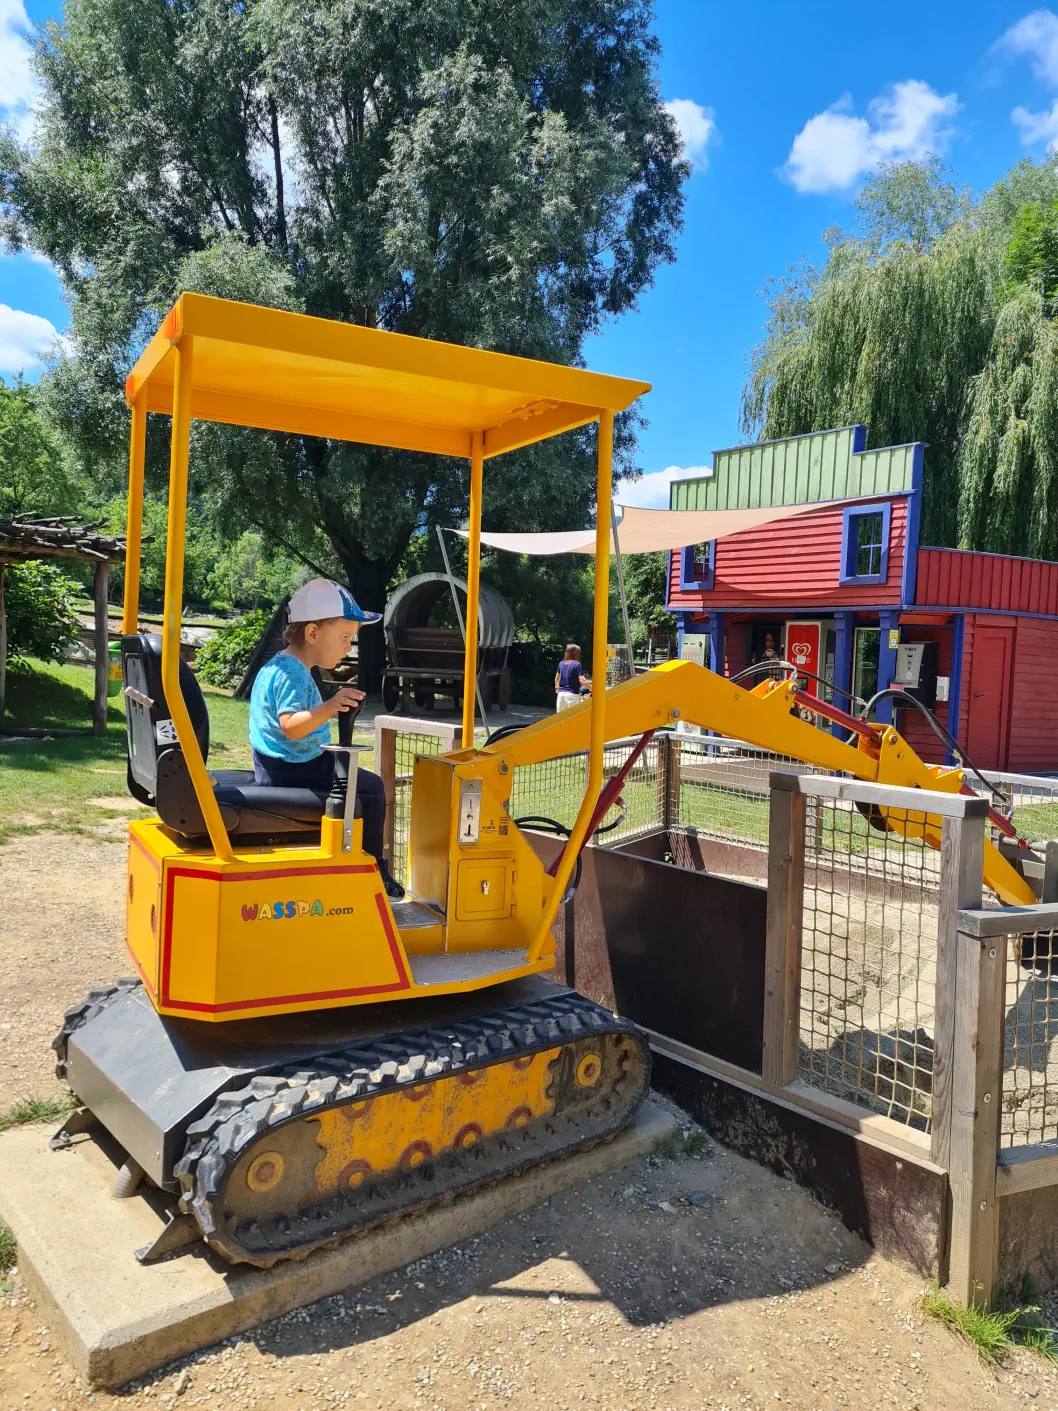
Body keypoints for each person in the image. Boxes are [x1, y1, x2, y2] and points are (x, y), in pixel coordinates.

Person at [249, 577, 405, 899]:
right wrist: (332, 706)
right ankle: (374, 869)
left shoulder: (287, 667)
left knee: (361, 784)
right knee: (372, 790)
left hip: (287, 763)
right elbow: (291, 726)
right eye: (345, 637)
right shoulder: (290, 672)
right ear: (312, 633)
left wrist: (331, 704)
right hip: (293, 769)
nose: (349, 647)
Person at [555, 644, 591, 712]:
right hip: (572, 695)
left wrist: (557, 688)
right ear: (576, 653)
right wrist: (592, 689)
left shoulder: (561, 664)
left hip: (561, 694)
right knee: (572, 720)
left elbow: (557, 678)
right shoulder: (577, 664)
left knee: (560, 720)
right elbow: (582, 680)